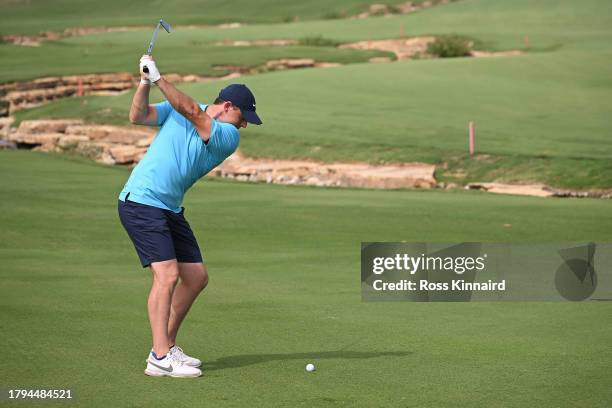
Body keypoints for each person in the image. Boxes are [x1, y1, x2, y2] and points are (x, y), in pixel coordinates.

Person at [117, 55, 262, 378]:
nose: (244, 124)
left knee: (195, 277)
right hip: (141, 200)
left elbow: (193, 112)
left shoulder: (227, 137)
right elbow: (138, 116)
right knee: (167, 276)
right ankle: (159, 356)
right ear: (226, 106)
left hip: (169, 207)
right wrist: (144, 84)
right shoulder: (184, 108)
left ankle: (166, 344)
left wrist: (158, 79)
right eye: (243, 115)